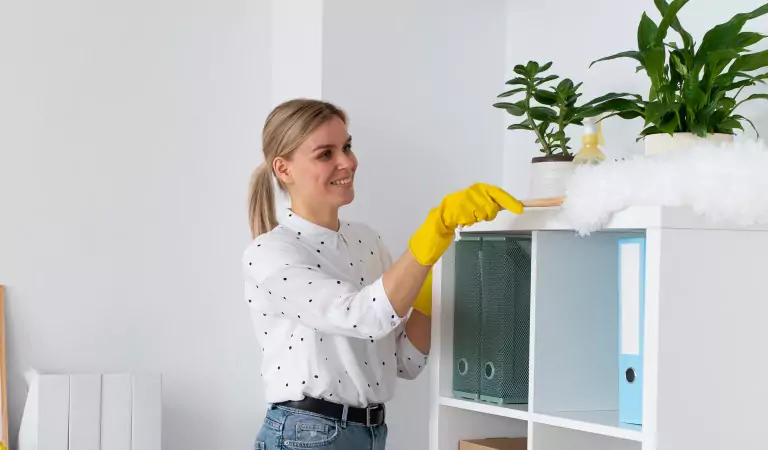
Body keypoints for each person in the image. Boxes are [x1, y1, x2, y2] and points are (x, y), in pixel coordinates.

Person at [242, 98, 523, 449]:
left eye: (346, 146)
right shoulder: (270, 254)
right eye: (325, 154)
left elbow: (403, 362)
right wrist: (433, 233)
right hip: (306, 434)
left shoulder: (366, 241)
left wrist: (428, 286)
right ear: (283, 169)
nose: (347, 162)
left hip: (372, 433)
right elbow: (362, 315)